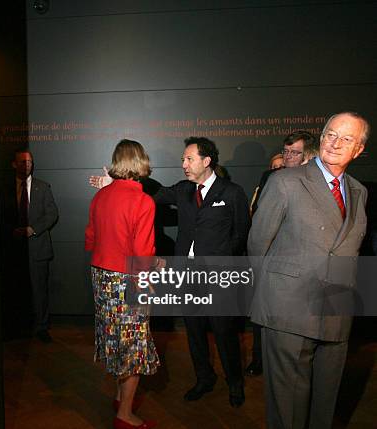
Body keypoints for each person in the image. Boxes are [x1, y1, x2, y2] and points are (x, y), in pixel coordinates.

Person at [90, 137, 250, 408]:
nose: (183, 164)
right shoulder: (182, 190)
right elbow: (147, 195)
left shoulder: (232, 192)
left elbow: (241, 233)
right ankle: (204, 379)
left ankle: (235, 384)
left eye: (189, 159)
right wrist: (115, 184)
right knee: (195, 331)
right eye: (183, 159)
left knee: (224, 332)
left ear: (206, 161)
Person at [249, 112, 369, 428]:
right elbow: (258, 244)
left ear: (359, 150)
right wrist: (271, 299)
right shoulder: (285, 181)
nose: (336, 143)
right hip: (288, 310)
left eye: (347, 138)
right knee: (288, 409)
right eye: (331, 134)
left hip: (337, 309)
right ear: (322, 137)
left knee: (325, 405)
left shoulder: (359, 191)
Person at [86, 139, 159, 429]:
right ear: (140, 161)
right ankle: (125, 416)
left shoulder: (101, 196)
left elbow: (90, 237)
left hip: (101, 275)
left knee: (115, 339)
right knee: (134, 347)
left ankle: (119, 397)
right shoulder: (142, 201)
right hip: (128, 278)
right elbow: (143, 253)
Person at [246, 130, 316, 376]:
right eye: (285, 151)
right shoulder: (271, 177)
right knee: (263, 315)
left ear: (309, 155)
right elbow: (260, 221)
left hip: (304, 267)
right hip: (270, 261)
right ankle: (259, 359)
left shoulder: (322, 182)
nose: (287, 157)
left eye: (293, 153)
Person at [0, 149, 58, 342]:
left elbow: (52, 214)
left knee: (39, 291)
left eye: (30, 162)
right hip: (13, 250)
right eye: (23, 162)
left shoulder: (43, 187)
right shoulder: (4, 188)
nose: (27, 165)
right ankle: (17, 327)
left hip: (38, 250)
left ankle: (41, 328)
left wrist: (32, 229)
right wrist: (12, 231)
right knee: (14, 289)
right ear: (14, 164)